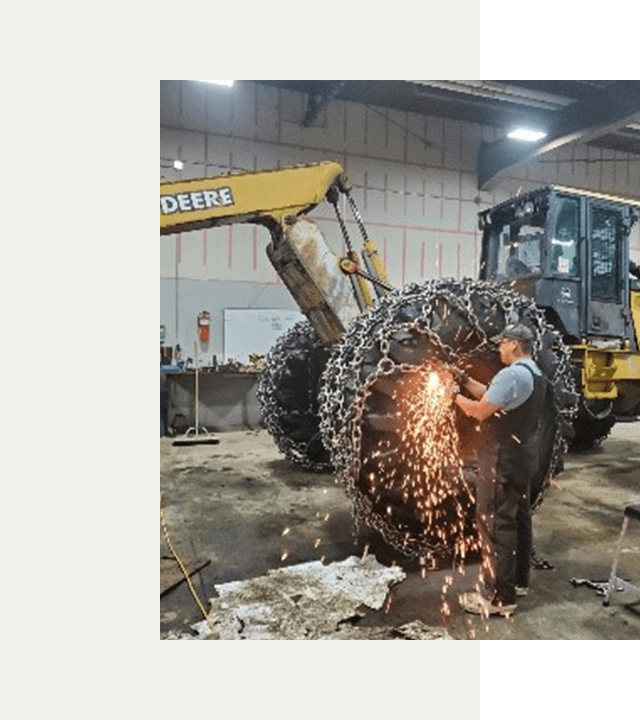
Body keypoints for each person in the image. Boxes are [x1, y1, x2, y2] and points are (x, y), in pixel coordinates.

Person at [450, 323, 547, 617]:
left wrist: (452, 395)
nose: (498, 348)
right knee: (519, 515)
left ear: (515, 345)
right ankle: (517, 582)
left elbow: (480, 411)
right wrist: (464, 380)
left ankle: (500, 598)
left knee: (494, 523)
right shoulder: (533, 373)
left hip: (501, 457)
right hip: (523, 455)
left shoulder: (511, 374)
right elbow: (493, 396)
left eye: (502, 344)